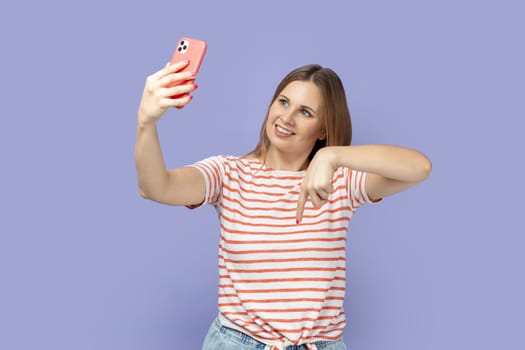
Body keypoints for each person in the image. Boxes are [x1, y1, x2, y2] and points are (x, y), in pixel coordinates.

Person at [135, 61, 432, 350]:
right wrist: (146, 123)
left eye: (305, 112)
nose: (287, 118)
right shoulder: (228, 173)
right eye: (283, 102)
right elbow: (156, 188)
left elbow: (419, 167)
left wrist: (331, 157)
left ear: (323, 130)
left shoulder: (340, 182)